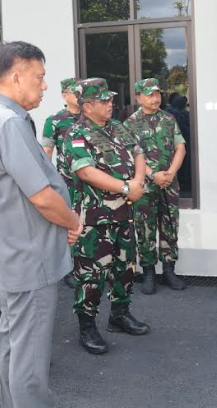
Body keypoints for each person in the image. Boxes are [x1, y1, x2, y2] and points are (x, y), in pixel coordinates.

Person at [0, 41, 82, 408]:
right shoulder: (8, 123)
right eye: (39, 77)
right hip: (32, 258)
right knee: (30, 359)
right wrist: (72, 221)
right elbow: (43, 197)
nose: (44, 86)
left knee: (15, 345)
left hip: (12, 254)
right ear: (16, 77)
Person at [62, 77, 150, 355]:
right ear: (87, 106)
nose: (110, 104)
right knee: (91, 275)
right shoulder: (76, 134)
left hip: (125, 214)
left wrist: (137, 183)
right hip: (94, 220)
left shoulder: (118, 127)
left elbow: (138, 153)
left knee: (125, 268)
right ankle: (87, 326)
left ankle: (119, 315)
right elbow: (86, 172)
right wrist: (126, 187)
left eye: (110, 99)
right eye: (104, 101)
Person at [125, 78, 187, 294]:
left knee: (170, 226)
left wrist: (170, 173)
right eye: (150, 94)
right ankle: (149, 272)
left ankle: (169, 270)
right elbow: (131, 156)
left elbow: (180, 147)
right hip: (144, 186)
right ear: (139, 98)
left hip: (169, 183)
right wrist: (153, 175)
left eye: (157, 94)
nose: (155, 98)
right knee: (145, 228)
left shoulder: (169, 119)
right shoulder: (130, 124)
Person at [41, 77, 83, 290]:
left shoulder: (89, 117)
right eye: (76, 92)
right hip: (68, 183)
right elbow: (46, 153)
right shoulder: (55, 121)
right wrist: (48, 184)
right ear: (65, 96)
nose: (80, 96)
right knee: (70, 224)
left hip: (92, 184)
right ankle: (70, 268)